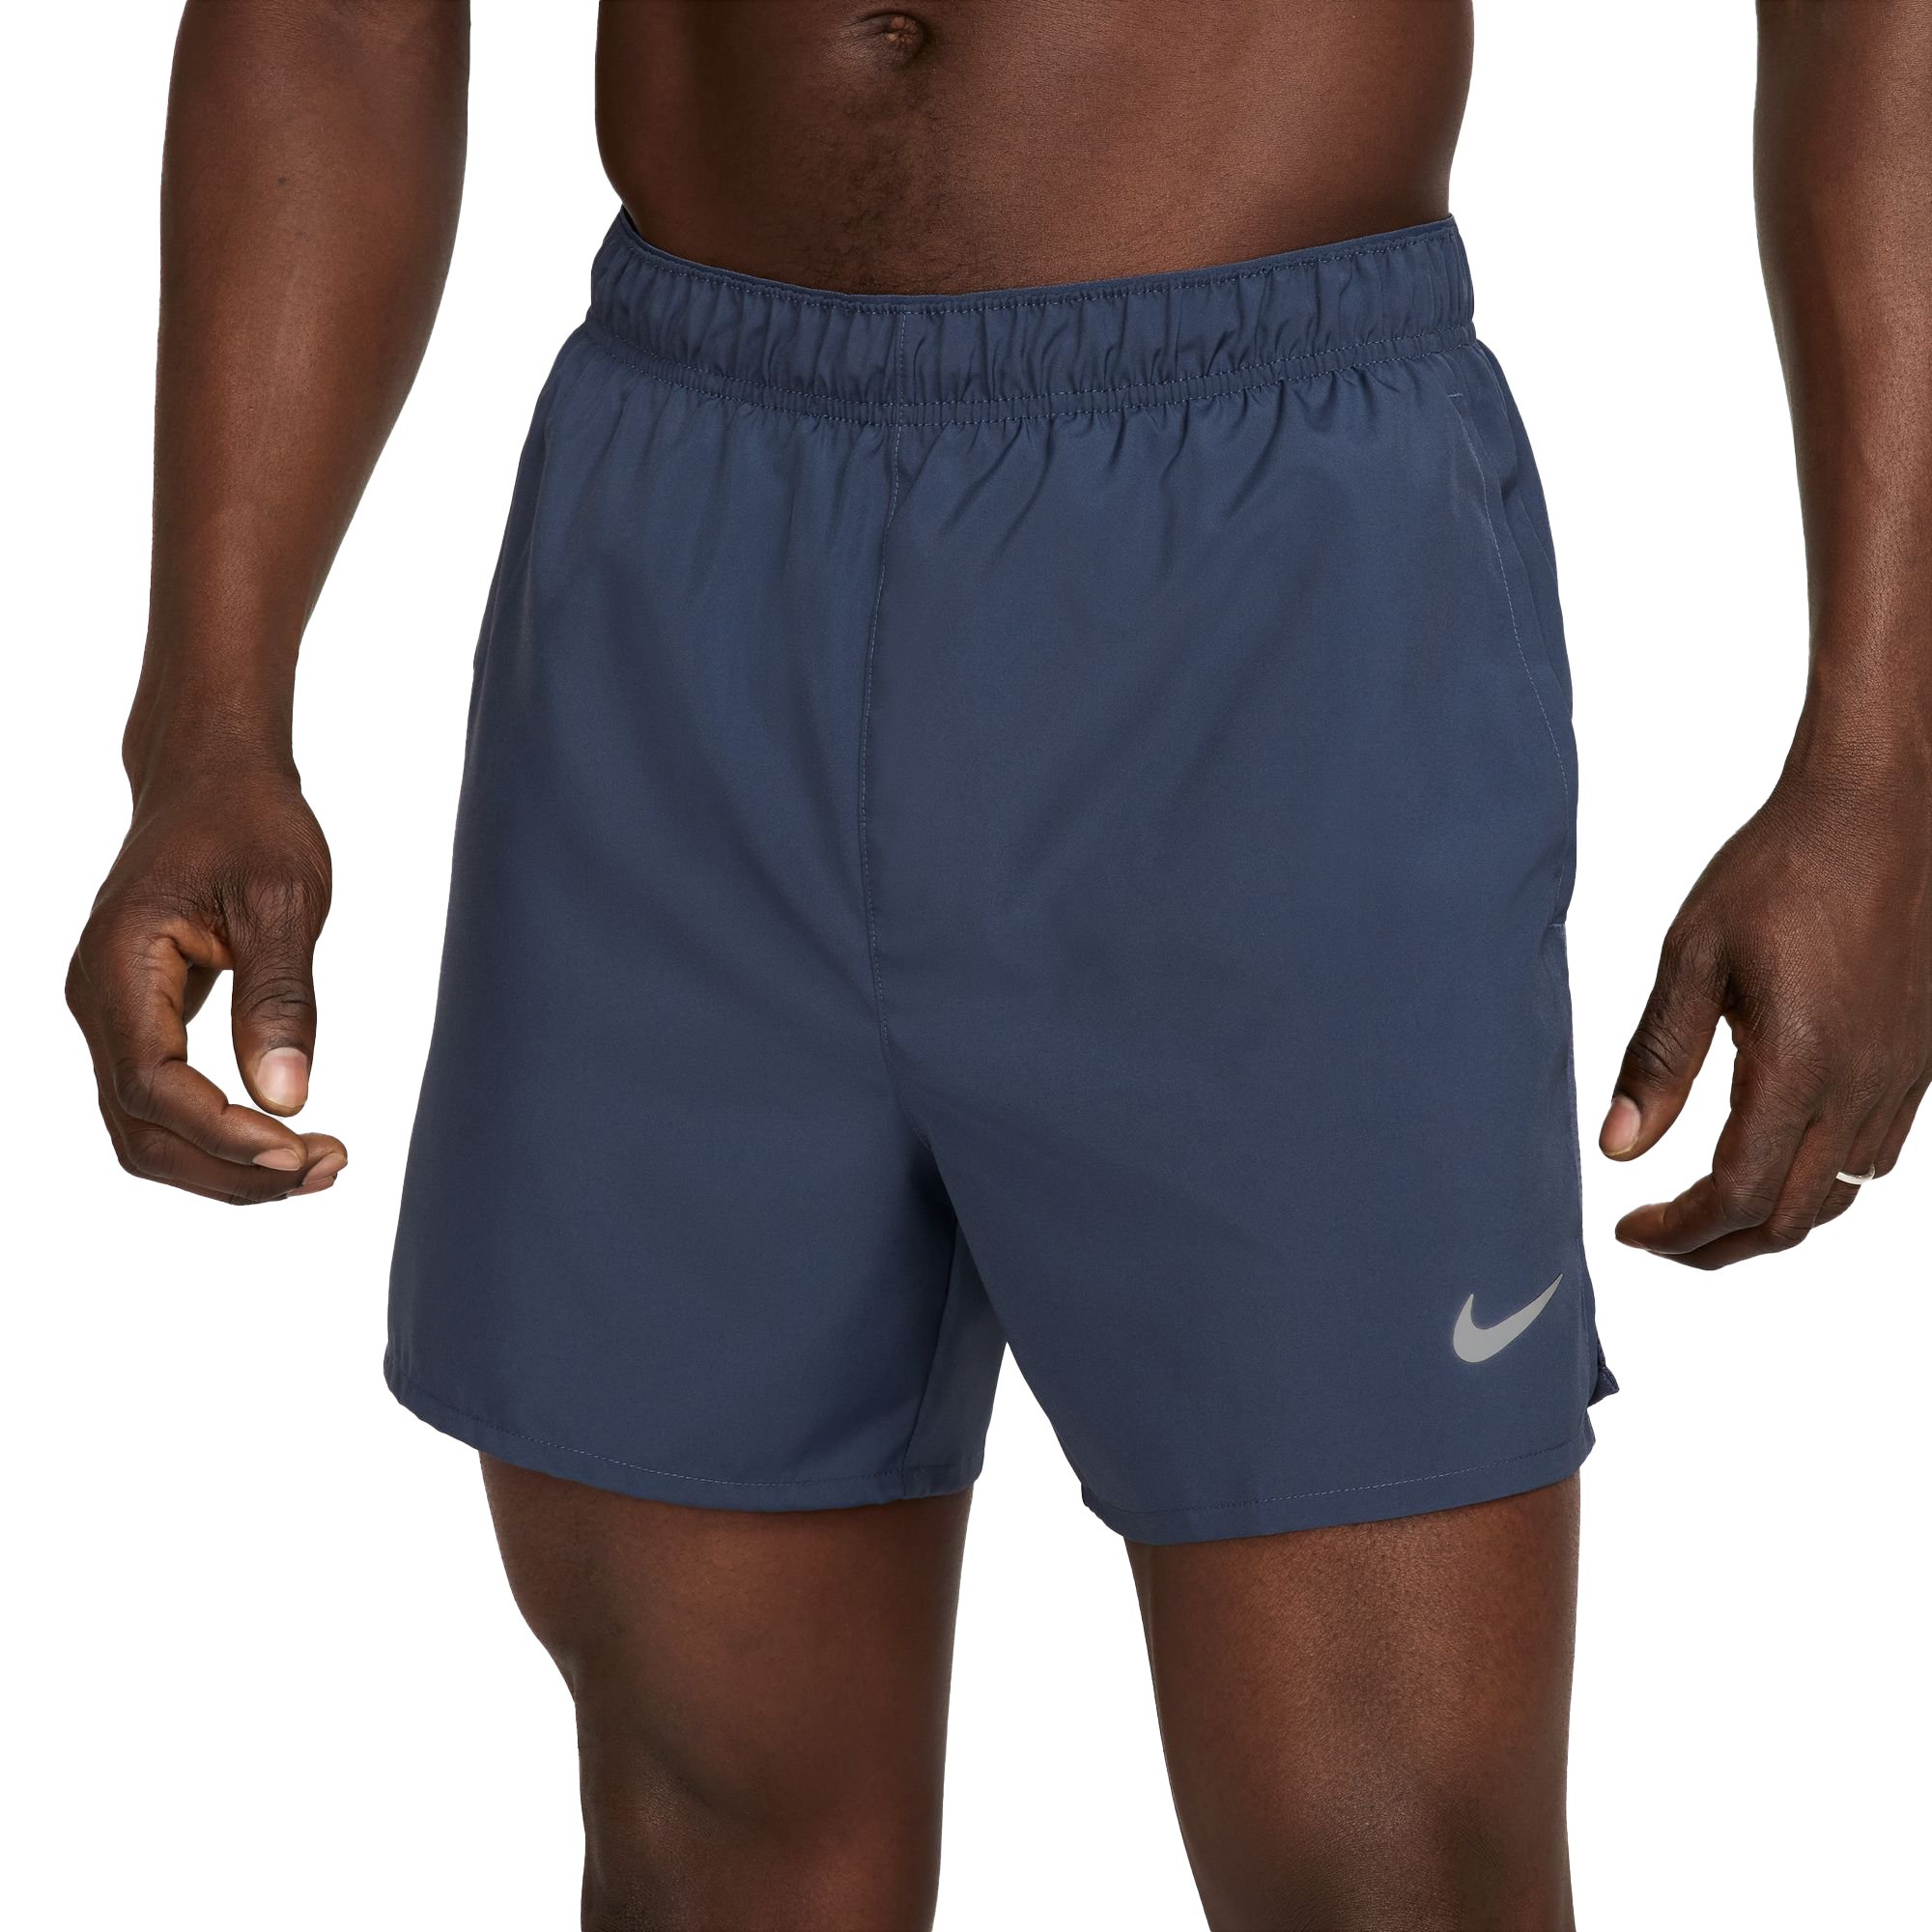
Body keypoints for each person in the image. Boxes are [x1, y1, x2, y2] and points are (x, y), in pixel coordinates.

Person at [66, 4, 1930, 1926]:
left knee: (1393, 1859)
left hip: (1264, 571)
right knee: (712, 1837)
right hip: (681, 556)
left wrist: (1883, 765)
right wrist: (207, 716)